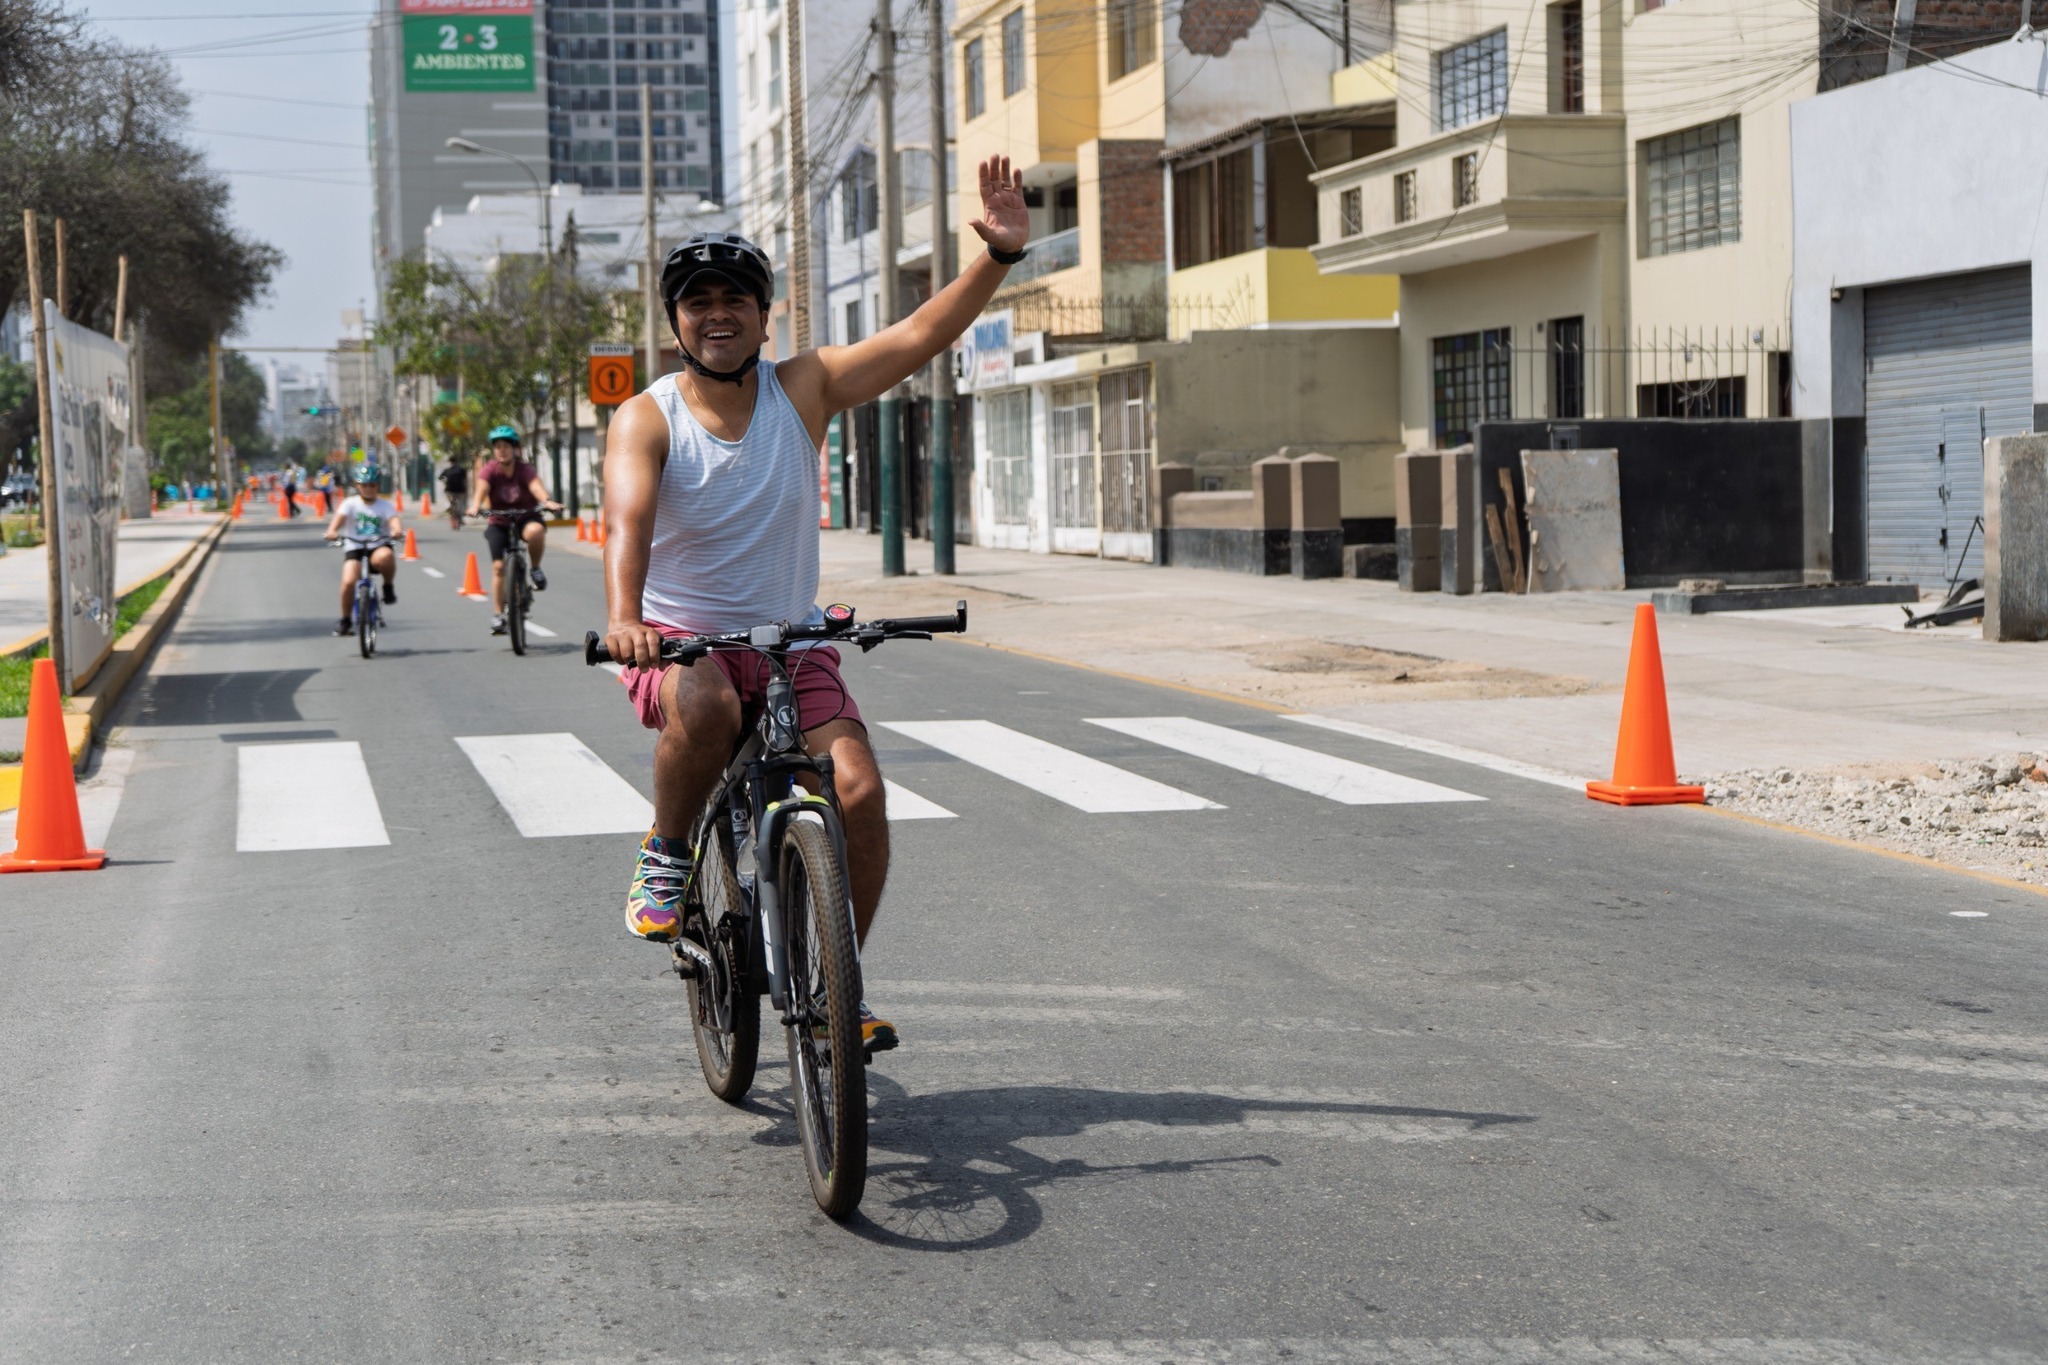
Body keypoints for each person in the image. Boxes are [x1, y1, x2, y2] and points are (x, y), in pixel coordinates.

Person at [599, 156, 1032, 1054]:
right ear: (677, 321)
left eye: (735, 299)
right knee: (711, 705)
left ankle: (836, 985)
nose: (717, 314)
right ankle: (670, 849)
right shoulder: (646, 417)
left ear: (764, 315)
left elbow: (916, 335)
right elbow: (626, 523)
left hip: (793, 643)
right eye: (697, 301)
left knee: (861, 790)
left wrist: (994, 256)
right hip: (683, 645)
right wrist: (627, 617)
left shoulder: (804, 387)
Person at [467, 424, 562, 635]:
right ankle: (499, 614)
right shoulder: (489, 469)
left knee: (536, 532)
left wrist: (547, 502)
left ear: (515, 449)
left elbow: (536, 487)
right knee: (499, 567)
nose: (502, 450)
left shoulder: (524, 469)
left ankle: (535, 568)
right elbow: (481, 489)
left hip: (525, 517)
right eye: (498, 446)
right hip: (499, 522)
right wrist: (475, 506)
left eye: (506, 446)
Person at [323, 465, 399, 635]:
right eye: (364, 485)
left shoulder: (385, 505)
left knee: (386, 556)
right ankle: (345, 620)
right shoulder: (350, 504)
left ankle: (388, 586)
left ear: (378, 486)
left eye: (372, 485)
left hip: (378, 545)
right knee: (348, 582)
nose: (369, 489)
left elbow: (394, 521)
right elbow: (339, 519)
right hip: (355, 547)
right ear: (358, 486)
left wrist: (396, 530)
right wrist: (332, 531)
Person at [440, 453, 471, 529]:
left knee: (451, 504)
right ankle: (460, 518)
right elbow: (466, 479)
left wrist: (445, 482)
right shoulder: (461, 470)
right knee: (461, 505)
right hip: (460, 490)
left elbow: (440, 478)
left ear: (449, 462)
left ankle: (450, 509)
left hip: (449, 490)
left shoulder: (447, 470)